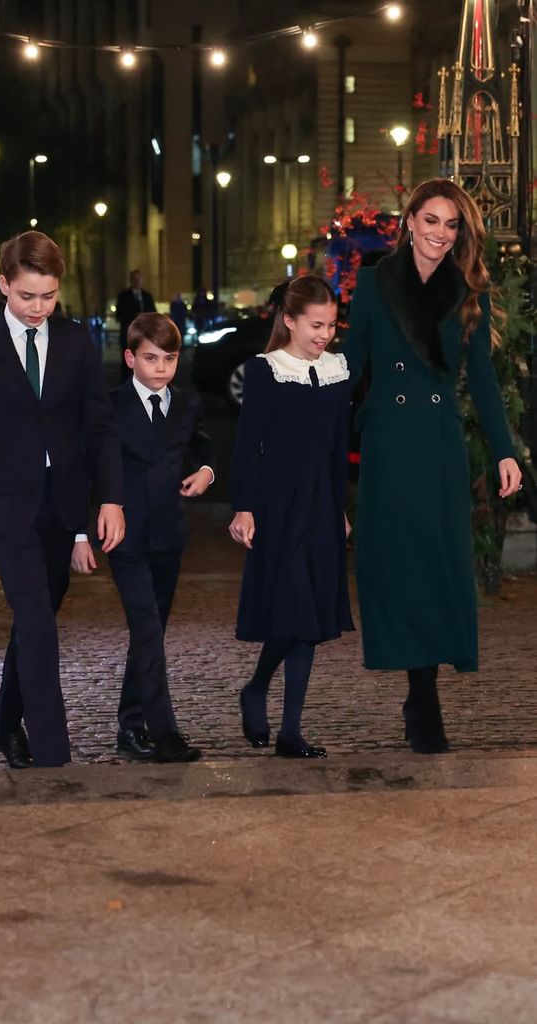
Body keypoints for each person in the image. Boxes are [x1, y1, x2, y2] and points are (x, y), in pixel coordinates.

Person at [344, 178, 522, 754]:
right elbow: (352, 365)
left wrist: (505, 450)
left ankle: (424, 693)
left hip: (439, 443)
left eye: (451, 225)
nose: (440, 234)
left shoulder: (470, 291)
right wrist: (305, 409)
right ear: (410, 221)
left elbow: (484, 380)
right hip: (390, 441)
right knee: (399, 565)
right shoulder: (374, 283)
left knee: (438, 564)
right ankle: (421, 696)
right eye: (431, 221)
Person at [0, 231, 124, 769]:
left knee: (34, 619)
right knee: (38, 623)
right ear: (4, 285)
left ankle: (4, 724)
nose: (38, 307)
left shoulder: (75, 341)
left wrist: (108, 501)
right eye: (27, 296)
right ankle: (52, 754)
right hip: (5, 507)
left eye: (48, 296)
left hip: (63, 505)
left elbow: (99, 427)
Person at [72, 312, 214, 763]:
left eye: (169, 359)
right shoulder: (109, 406)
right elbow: (84, 470)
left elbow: (202, 445)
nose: (161, 368)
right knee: (148, 629)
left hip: (169, 534)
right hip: (125, 537)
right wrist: (80, 531)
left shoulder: (186, 403)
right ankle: (164, 733)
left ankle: (130, 726)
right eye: (151, 358)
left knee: (149, 634)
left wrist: (206, 471)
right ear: (131, 357)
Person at [229, 276, 353, 758]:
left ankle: (290, 731)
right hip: (278, 504)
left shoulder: (338, 369)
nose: (325, 334)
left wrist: (341, 508)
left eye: (331, 325)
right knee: (295, 609)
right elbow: (247, 442)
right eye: (316, 325)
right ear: (289, 320)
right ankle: (257, 687)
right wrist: (243, 506)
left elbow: (338, 449)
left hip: (322, 504)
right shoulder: (265, 370)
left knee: (312, 619)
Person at [115, 269, 156, 380]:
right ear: (131, 280)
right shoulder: (123, 296)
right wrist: (134, 316)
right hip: (128, 334)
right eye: (135, 279)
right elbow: (119, 315)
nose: (137, 281)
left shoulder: (147, 296)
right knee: (128, 362)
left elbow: (153, 313)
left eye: (139, 279)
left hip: (145, 335)